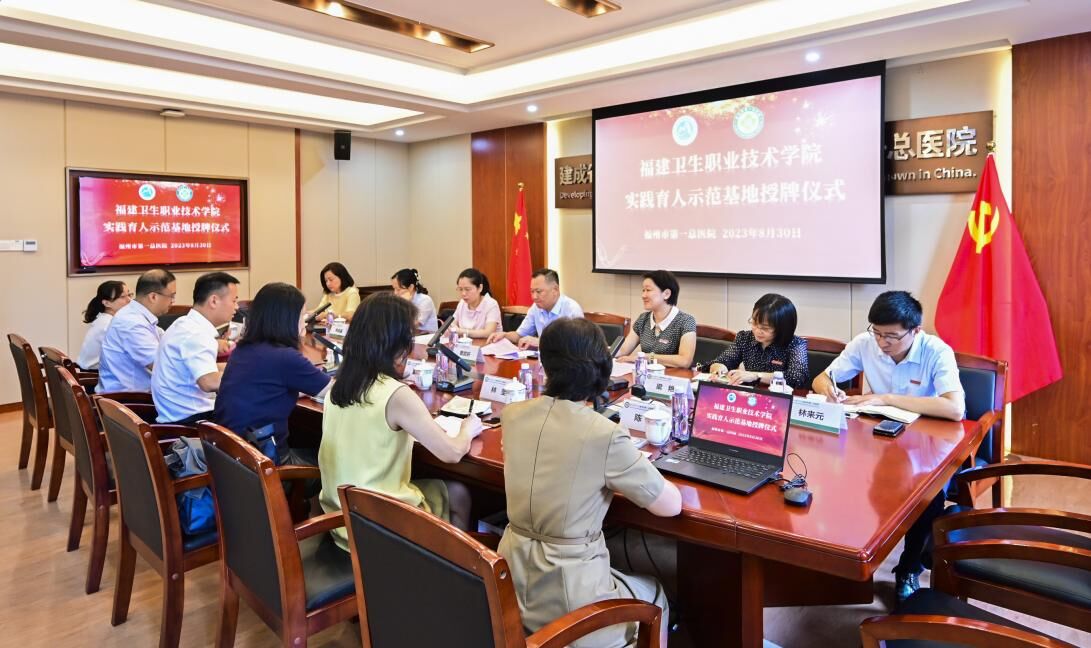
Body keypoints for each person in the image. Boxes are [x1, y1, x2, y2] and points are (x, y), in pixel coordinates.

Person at [498, 318, 681, 648]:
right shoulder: (603, 434)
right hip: (571, 605)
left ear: (545, 363)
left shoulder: (512, 414)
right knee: (656, 593)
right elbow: (670, 506)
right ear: (600, 368)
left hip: (508, 588)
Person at [811, 290, 965, 602]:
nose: (882, 342)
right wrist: (831, 390)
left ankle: (908, 568)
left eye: (891, 336)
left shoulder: (936, 351)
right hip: (878, 440)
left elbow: (954, 408)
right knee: (841, 479)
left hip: (926, 444)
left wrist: (886, 398)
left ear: (915, 331)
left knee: (927, 496)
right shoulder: (864, 343)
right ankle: (846, 565)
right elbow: (821, 378)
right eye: (877, 333)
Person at [318, 293, 481, 552]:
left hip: (339, 519)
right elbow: (451, 453)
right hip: (380, 527)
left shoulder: (338, 386)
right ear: (397, 344)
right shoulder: (395, 394)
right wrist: (467, 430)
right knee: (459, 494)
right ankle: (445, 572)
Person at [213, 282, 331, 465]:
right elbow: (336, 392)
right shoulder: (285, 357)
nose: (305, 322)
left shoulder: (243, 349)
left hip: (232, 459)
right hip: (265, 462)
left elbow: (265, 389)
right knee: (331, 458)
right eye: (302, 316)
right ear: (288, 319)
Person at [151, 272, 239, 424]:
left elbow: (203, 367)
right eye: (234, 301)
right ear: (214, 301)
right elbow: (209, 382)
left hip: (180, 415)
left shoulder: (185, 324)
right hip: (191, 422)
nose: (236, 307)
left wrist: (241, 367)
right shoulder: (195, 333)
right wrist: (251, 376)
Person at [97, 269, 177, 393]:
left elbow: (169, 341)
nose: (173, 301)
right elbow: (163, 367)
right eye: (171, 296)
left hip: (136, 394)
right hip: (130, 400)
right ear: (153, 297)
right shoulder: (132, 323)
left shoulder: (136, 315)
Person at [709, 293, 809, 388]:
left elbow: (797, 377)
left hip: (780, 397)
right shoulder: (744, 338)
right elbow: (723, 360)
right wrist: (719, 368)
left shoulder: (795, 344)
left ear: (782, 328)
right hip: (749, 395)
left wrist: (756, 376)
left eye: (765, 328)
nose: (757, 331)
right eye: (754, 323)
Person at [615, 270, 696, 368]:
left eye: (648, 290)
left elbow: (685, 361)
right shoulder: (643, 319)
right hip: (647, 375)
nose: (643, 296)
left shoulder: (686, 321)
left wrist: (646, 357)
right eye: (643, 290)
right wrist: (604, 351)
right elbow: (623, 350)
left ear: (666, 294)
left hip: (673, 376)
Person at [487, 268, 583, 349]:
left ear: (555, 290)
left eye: (538, 291)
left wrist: (540, 342)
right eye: (532, 291)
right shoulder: (536, 308)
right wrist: (504, 335)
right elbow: (519, 335)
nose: (534, 297)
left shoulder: (572, 309)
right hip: (542, 360)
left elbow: (576, 345)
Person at [77, 280, 131, 370]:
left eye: (129, 295)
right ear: (106, 303)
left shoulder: (106, 319)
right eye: (122, 297)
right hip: (96, 375)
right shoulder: (108, 324)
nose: (129, 300)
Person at [451, 267, 502, 338]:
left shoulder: (491, 304)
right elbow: (452, 323)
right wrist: (454, 328)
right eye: (460, 289)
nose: (463, 293)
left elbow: (488, 333)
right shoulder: (462, 303)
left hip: (488, 344)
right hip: (466, 344)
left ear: (480, 288)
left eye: (467, 289)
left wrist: (461, 331)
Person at [391, 268, 437, 333]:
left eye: (398, 289)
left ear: (411, 287)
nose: (395, 293)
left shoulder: (425, 300)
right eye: (394, 289)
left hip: (426, 336)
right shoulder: (399, 300)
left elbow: (413, 324)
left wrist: (406, 304)